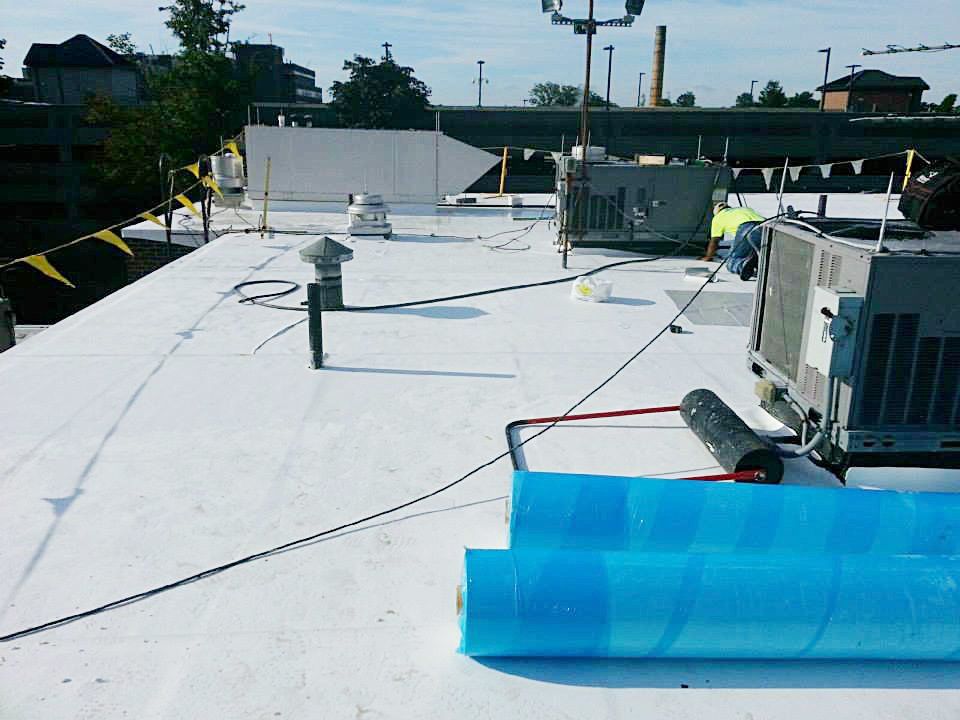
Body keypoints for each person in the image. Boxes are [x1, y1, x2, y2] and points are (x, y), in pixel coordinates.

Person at [701, 202, 764, 279]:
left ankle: (742, 265)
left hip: (746, 228)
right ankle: (757, 264)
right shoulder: (744, 209)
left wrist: (708, 257)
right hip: (765, 226)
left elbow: (714, 241)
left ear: (717, 212)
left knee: (731, 260)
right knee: (760, 253)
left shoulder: (717, 218)